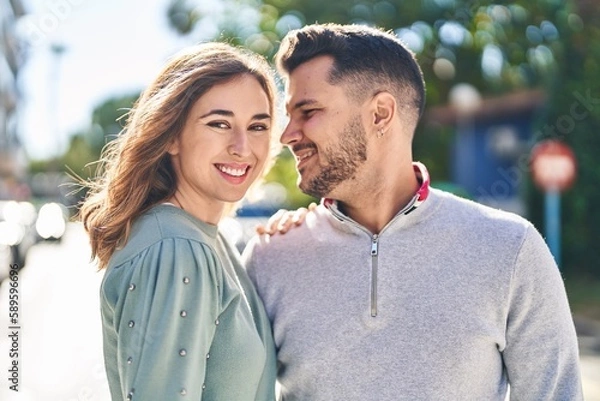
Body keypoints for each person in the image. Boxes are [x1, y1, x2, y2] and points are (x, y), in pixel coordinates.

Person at [242, 23, 583, 400]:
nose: (288, 134)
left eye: (307, 111)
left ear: (380, 114)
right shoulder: (270, 256)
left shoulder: (510, 248)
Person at [79, 42, 278, 401]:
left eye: (258, 126)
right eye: (219, 123)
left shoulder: (205, 238)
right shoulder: (177, 249)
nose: (242, 146)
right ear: (171, 135)